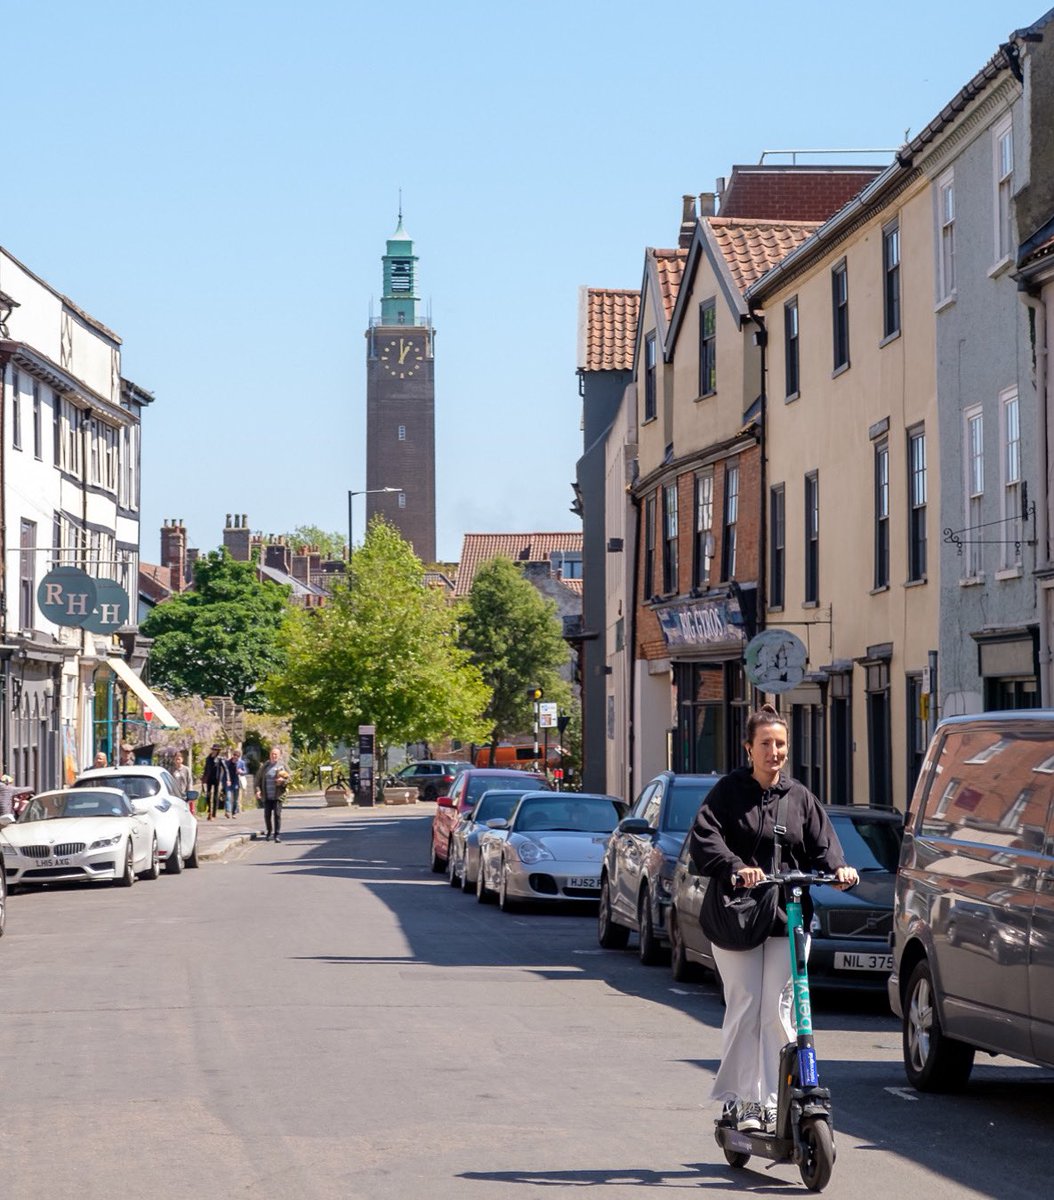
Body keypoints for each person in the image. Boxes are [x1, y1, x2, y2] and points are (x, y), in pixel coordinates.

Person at [687, 703, 858, 1134]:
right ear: (749, 748)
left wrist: (840, 869)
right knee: (745, 1006)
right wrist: (734, 866)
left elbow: (824, 846)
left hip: (788, 914)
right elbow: (704, 839)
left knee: (779, 1010)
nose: (775, 751)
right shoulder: (728, 792)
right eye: (766, 743)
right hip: (738, 916)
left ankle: (774, 1101)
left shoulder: (801, 797)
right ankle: (744, 1101)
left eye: (781, 744)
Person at [255, 747, 289, 842]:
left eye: (276, 754)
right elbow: (257, 780)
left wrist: (283, 781)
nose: (274, 756)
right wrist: (258, 790)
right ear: (270, 755)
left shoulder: (283, 765)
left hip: (278, 795)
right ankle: (269, 832)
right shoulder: (265, 766)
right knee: (267, 815)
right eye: (272, 754)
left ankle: (277, 835)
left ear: (279, 756)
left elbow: (290, 777)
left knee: (277, 815)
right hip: (267, 795)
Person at [202, 744, 225, 821]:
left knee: (215, 796)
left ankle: (214, 813)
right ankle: (209, 811)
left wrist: (227, 779)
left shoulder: (220, 759)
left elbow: (226, 769)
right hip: (209, 778)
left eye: (216, 750)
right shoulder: (208, 758)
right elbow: (205, 768)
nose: (215, 751)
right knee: (208, 795)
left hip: (216, 779)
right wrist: (203, 778)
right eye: (214, 749)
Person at [222, 747, 244, 818]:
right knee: (228, 797)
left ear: (239, 756)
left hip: (236, 783)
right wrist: (226, 781)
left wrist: (241, 772)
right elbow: (225, 772)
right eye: (234, 755)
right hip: (228, 782)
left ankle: (234, 813)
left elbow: (245, 771)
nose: (235, 757)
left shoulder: (241, 763)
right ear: (232, 755)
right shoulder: (228, 762)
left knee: (235, 800)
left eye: (237, 756)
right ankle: (228, 812)